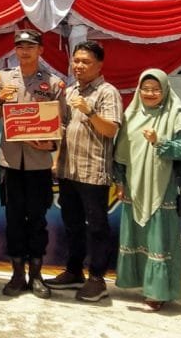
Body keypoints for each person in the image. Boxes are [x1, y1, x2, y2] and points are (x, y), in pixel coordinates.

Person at [0, 28, 65, 299]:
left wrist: (51, 145)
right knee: (13, 219)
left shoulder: (54, 83)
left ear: (40, 50)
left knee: (38, 220)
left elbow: (61, 123)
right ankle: (17, 274)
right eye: (20, 47)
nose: (25, 51)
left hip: (38, 165)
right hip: (9, 162)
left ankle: (36, 275)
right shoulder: (2, 78)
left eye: (31, 46)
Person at [47, 40, 122, 302]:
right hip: (69, 170)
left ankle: (97, 279)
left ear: (99, 65)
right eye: (76, 60)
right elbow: (63, 130)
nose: (78, 66)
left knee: (97, 227)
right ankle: (74, 270)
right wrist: (56, 161)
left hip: (93, 172)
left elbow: (111, 130)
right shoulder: (69, 92)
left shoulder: (107, 92)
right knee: (73, 225)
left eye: (85, 61)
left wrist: (90, 111)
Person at [113, 69, 181, 311]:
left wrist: (160, 142)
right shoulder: (131, 114)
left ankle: (157, 292)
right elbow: (120, 154)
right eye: (145, 88)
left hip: (162, 185)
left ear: (165, 90)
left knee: (160, 237)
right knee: (138, 236)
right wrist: (119, 182)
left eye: (155, 89)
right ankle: (141, 284)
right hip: (135, 184)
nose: (150, 93)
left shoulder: (177, 115)